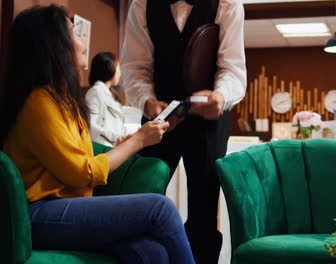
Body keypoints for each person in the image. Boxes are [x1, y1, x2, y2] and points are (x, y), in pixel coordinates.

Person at [0, 5, 195, 264]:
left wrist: (125, 144)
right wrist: (138, 141)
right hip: (36, 215)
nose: (82, 42)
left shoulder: (62, 100)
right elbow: (84, 172)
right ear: (54, 44)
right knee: (161, 209)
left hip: (61, 209)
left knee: (152, 252)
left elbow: (81, 159)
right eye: (75, 33)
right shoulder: (39, 102)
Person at [121, 0, 247, 262]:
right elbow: (135, 68)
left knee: (203, 207)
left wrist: (221, 97)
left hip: (210, 118)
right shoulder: (142, 5)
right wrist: (147, 101)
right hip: (159, 115)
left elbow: (232, 69)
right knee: (143, 195)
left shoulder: (228, 3)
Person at [86, 52, 127, 147]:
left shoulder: (108, 93)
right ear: (110, 68)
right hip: (104, 149)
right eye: (118, 68)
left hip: (112, 147)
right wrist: (117, 139)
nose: (120, 73)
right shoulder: (95, 92)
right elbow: (90, 126)